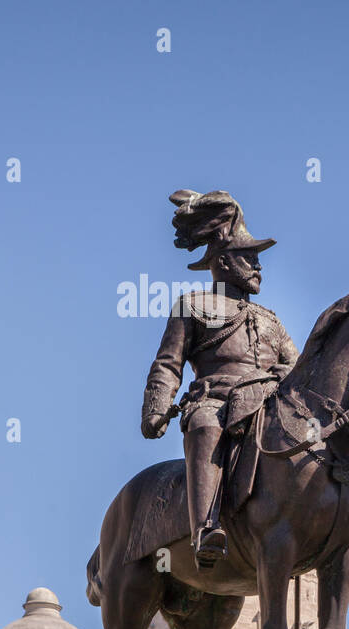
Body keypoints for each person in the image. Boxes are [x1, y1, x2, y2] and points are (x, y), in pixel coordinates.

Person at [141, 189, 297, 568]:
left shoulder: (271, 318)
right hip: (217, 401)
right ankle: (206, 528)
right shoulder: (193, 306)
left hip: (267, 402)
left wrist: (287, 375)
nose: (259, 268)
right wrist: (158, 408)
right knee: (204, 426)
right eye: (251, 259)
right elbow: (168, 362)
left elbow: (297, 365)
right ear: (224, 263)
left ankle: (343, 540)